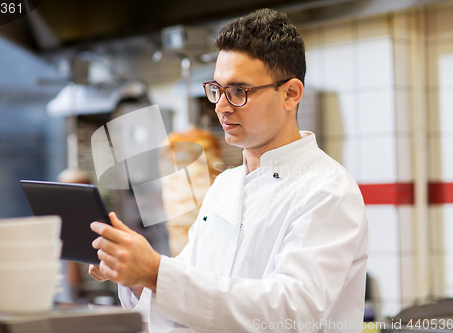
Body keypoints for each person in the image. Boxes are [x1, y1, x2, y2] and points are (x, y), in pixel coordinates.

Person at [89, 8, 370, 333]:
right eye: (217, 90)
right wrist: (134, 275)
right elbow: (186, 296)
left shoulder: (328, 191)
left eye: (239, 91)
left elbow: (292, 312)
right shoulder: (224, 186)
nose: (221, 106)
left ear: (290, 94)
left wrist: (154, 272)